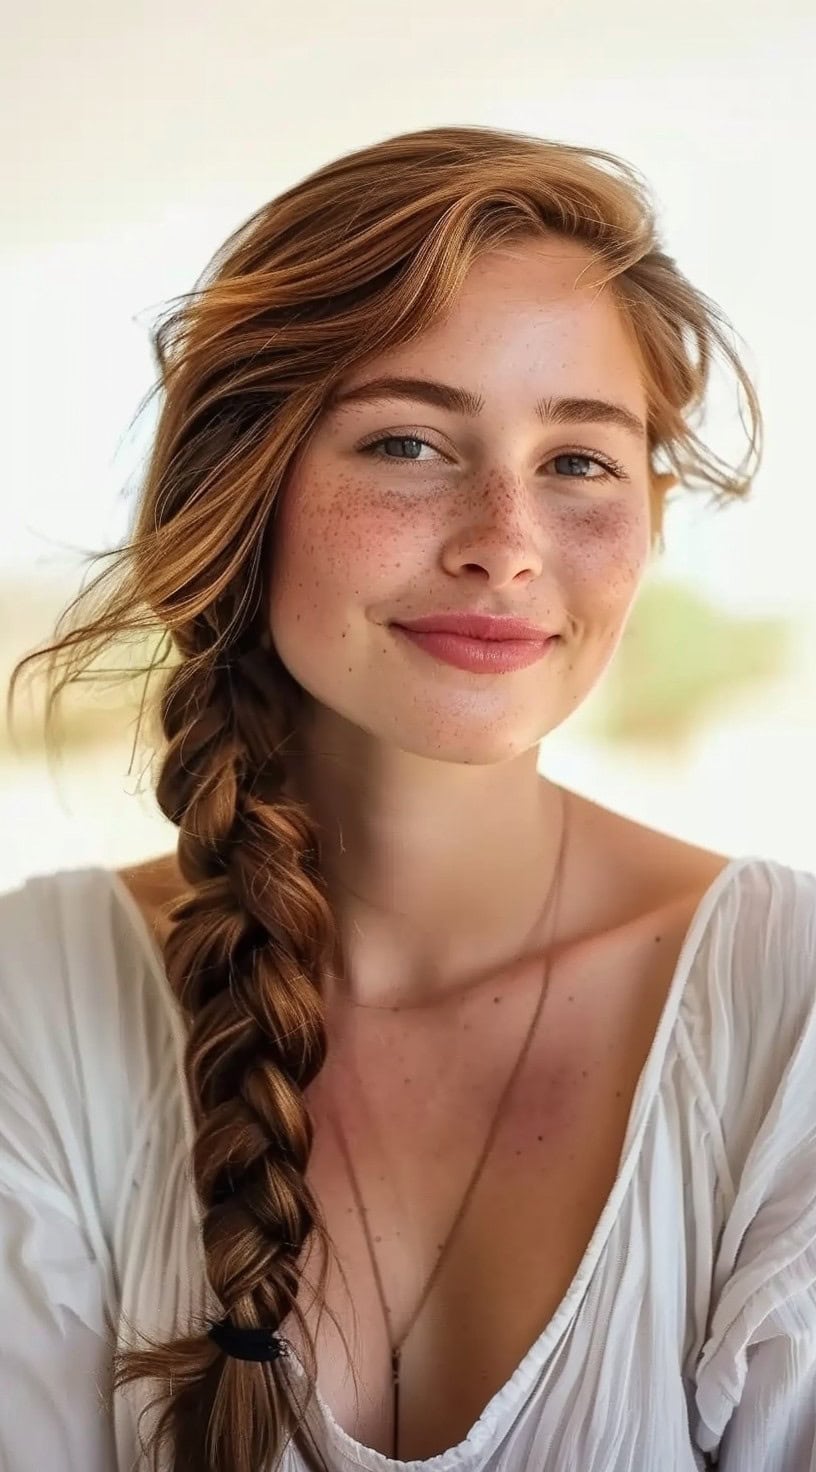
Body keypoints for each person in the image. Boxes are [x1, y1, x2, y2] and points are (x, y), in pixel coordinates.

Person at [1, 123, 815, 1472]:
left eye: (579, 462)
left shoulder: (786, 1005)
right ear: (240, 487)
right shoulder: (37, 996)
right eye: (408, 444)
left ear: (654, 520)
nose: (505, 541)